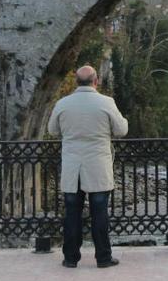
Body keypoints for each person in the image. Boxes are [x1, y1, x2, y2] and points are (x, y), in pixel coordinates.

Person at [47, 65, 128, 269]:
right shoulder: (106, 103)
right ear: (96, 81)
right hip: (98, 166)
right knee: (99, 213)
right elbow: (121, 130)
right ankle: (103, 257)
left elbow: (52, 130)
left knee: (72, 214)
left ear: (76, 82)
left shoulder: (63, 103)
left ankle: (71, 258)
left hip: (73, 166)